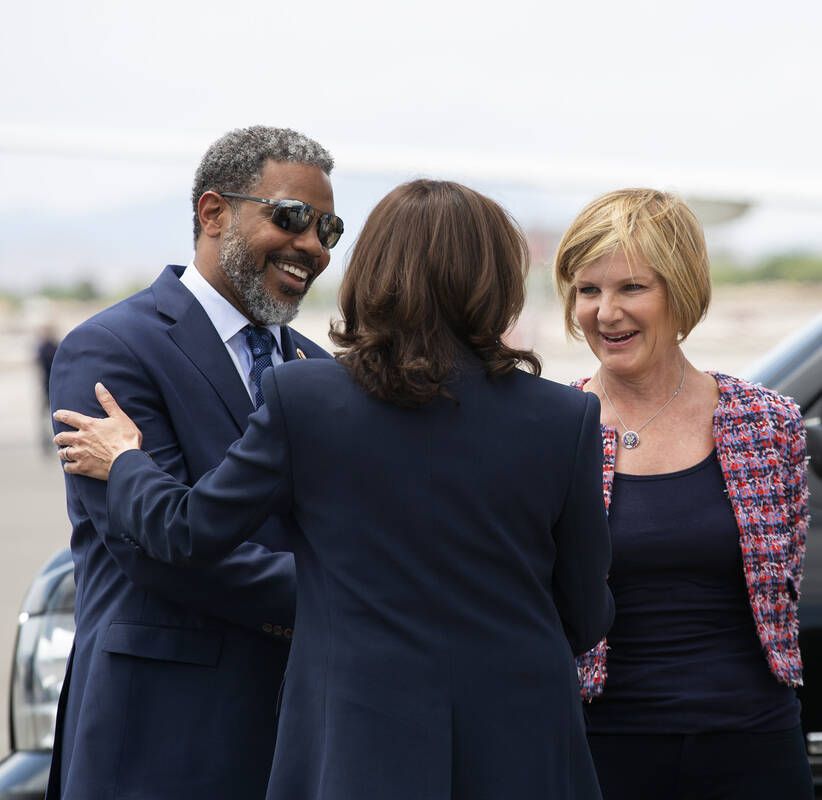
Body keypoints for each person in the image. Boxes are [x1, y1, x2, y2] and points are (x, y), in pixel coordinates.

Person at [54, 179, 615, 800]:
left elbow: (187, 531)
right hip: (524, 734)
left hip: (362, 737)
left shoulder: (307, 398)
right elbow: (586, 611)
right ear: (498, 281)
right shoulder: (568, 418)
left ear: (373, 272)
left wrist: (127, 462)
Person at [46, 125, 338, 800]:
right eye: (292, 218)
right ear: (213, 213)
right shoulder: (111, 350)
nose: (313, 248)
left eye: (329, 228)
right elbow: (151, 546)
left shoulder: (319, 372)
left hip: (300, 739)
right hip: (159, 734)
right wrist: (338, 597)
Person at [552, 188, 814, 799]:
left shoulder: (768, 422)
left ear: (682, 290)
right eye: (588, 290)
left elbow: (785, 583)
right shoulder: (550, 426)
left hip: (755, 747)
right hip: (599, 748)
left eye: (632, 288)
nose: (606, 312)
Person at [35, 323, 58, 453]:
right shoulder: (56, 346)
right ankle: (50, 441)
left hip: (46, 386)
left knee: (45, 417)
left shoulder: (43, 347)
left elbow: (39, 364)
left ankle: (46, 442)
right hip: (52, 387)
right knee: (51, 417)